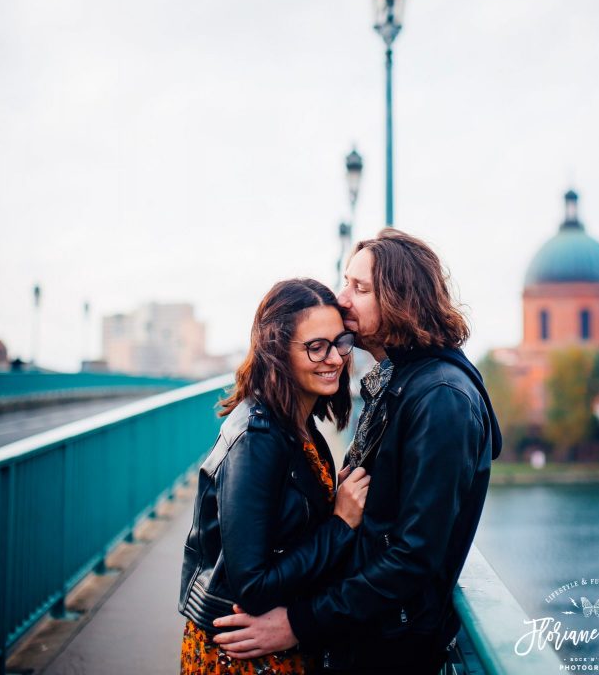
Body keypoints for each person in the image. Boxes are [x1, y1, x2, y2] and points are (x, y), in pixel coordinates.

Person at [214, 229, 502, 674]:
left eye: (359, 288)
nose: (342, 298)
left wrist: (298, 623)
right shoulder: (401, 381)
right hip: (363, 636)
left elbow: (413, 557)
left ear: (401, 298)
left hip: (389, 648)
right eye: (345, 282)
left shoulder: (441, 398)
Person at [178, 277, 371, 675]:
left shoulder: (299, 425)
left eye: (340, 343)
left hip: (272, 648)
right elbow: (252, 585)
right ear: (277, 351)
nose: (334, 358)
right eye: (316, 347)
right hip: (244, 657)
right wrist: (340, 523)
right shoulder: (258, 439)